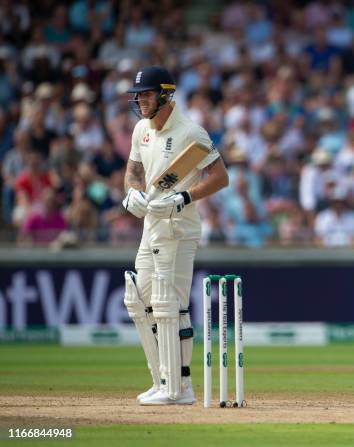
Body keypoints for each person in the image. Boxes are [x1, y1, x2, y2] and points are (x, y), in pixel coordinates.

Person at [121, 66, 229, 405]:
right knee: (140, 302)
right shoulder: (141, 129)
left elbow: (220, 177)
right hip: (150, 227)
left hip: (179, 229)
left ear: (166, 95)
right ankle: (162, 380)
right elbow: (134, 170)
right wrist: (132, 193)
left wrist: (184, 197)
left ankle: (180, 388)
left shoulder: (190, 132)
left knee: (170, 306)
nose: (141, 100)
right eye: (139, 94)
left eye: (148, 94)